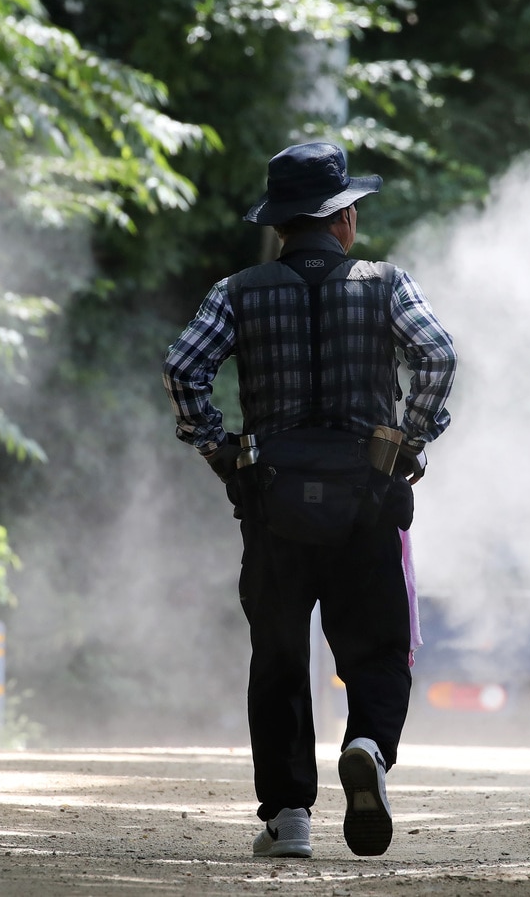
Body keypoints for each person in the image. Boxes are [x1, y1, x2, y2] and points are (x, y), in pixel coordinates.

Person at [162, 141, 456, 858]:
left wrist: (217, 449)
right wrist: (409, 441)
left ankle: (289, 815)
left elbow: (183, 365)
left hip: (274, 505)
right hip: (367, 497)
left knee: (282, 656)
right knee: (380, 652)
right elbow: (438, 356)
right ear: (343, 219)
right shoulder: (387, 284)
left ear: (280, 225)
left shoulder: (239, 290)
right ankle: (367, 746)